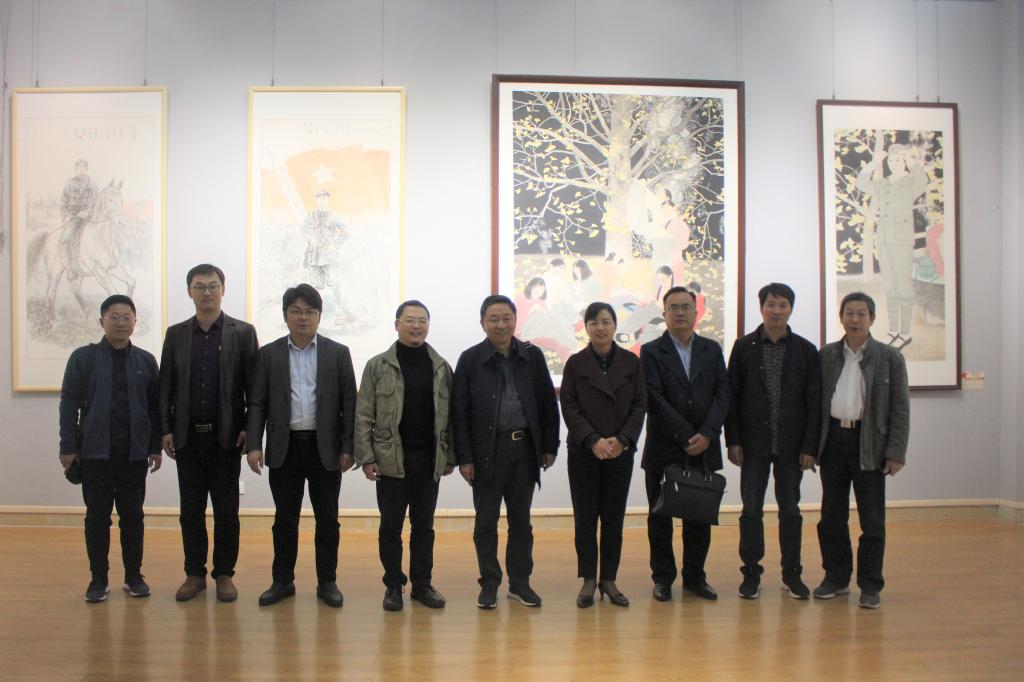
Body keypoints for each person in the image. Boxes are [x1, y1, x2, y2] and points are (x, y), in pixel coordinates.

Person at [246, 284, 357, 608]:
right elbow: (257, 403)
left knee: (328, 520)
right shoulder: (269, 354)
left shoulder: (338, 353)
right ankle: (283, 581)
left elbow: (349, 403)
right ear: (285, 316)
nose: (303, 317)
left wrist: (348, 447)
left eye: (310, 311)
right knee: (285, 519)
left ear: (319, 316)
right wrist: (254, 444)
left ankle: (327, 582)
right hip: (285, 447)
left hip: (326, 448)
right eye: (296, 311)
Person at [159, 264, 259, 603]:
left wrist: (248, 429)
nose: (207, 292)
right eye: (199, 286)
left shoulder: (242, 332)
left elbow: (254, 389)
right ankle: (194, 574)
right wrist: (165, 429)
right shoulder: (176, 334)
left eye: (213, 286)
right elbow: (165, 386)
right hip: (187, 438)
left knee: (227, 511)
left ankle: (224, 574)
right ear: (189, 291)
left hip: (226, 438)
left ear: (223, 290)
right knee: (190, 510)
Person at [452, 295, 560, 609]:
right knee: (486, 523)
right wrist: (464, 457)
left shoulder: (532, 355)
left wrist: (549, 446)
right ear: (483, 323)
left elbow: (547, 403)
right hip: (487, 452)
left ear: (515, 320)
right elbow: (459, 412)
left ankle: (520, 583)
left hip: (524, 449)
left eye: (506, 318)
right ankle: (489, 583)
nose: (501, 325)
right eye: (494, 319)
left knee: (521, 522)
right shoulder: (470, 359)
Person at [58, 294, 162, 603]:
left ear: (135, 322)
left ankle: (134, 576)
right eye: (114, 317)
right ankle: (98, 579)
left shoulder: (146, 361)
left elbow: (155, 409)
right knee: (97, 518)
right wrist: (68, 446)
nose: (120, 322)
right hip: (95, 454)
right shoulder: (83, 358)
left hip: (134, 455)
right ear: (101, 321)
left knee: (133, 517)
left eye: (126, 317)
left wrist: (155, 447)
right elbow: (69, 405)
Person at [355, 300, 455, 612]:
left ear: (428, 325)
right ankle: (393, 585)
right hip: (390, 460)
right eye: (410, 320)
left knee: (424, 527)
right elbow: (363, 415)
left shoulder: (441, 367)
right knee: (390, 528)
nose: (416, 326)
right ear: (396, 324)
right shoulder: (377, 366)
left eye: (422, 320)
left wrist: (450, 455)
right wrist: (366, 458)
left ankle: (422, 585)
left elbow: (452, 416)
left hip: (428, 461)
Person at [725, 283, 821, 600]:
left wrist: (810, 447)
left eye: (782, 305)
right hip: (753, 444)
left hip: (792, 446)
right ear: (761, 308)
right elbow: (732, 397)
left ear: (791, 308)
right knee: (751, 510)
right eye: (771, 304)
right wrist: (733, 440)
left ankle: (792, 574)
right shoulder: (743, 347)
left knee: (790, 510)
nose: (776, 310)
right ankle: (751, 573)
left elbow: (814, 402)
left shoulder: (806, 350)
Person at [814, 292, 909, 609]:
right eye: (849, 313)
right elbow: (813, 405)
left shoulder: (890, 357)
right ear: (841, 317)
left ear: (872, 319)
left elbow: (900, 409)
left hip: (870, 444)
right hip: (833, 441)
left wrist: (896, 452)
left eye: (861, 314)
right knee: (832, 516)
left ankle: (870, 584)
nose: (854, 320)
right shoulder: (826, 355)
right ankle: (836, 577)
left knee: (872, 519)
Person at [640, 286, 728, 602]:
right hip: (664, 446)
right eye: (673, 307)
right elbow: (653, 398)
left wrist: (707, 434)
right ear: (664, 314)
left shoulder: (711, 349)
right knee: (659, 517)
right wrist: (686, 434)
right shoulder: (651, 351)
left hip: (704, 445)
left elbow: (722, 394)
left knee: (699, 516)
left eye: (686, 307)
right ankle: (663, 578)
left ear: (696, 311)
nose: (680, 312)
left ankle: (695, 577)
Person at [560, 302, 646, 608]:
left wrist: (622, 440)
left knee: (613, 518)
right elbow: (569, 406)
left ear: (615, 326)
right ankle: (587, 579)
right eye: (594, 322)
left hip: (619, 453)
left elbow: (640, 405)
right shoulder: (575, 363)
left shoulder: (631, 362)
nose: (600, 327)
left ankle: (609, 578)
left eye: (606, 321)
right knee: (585, 518)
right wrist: (593, 439)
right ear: (586, 327)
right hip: (585, 452)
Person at [856, 141, 928, 350]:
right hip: (884, 239)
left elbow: (922, 181)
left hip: (902, 240)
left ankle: (905, 333)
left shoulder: (911, 183)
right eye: (891, 160)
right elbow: (861, 183)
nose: (894, 163)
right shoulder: (884, 183)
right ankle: (893, 330)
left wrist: (911, 161)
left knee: (903, 286)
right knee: (889, 286)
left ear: (904, 161)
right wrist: (873, 163)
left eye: (898, 160)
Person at [302, 190, 350, 326]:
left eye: (324, 198)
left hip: (329, 257)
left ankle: (339, 312)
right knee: (316, 287)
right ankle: (315, 315)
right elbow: (303, 230)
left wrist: (335, 245)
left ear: (328, 200)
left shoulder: (334, 217)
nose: (322, 201)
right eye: (320, 198)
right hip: (314, 256)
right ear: (317, 200)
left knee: (335, 284)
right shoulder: (310, 216)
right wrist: (309, 239)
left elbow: (346, 232)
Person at [60, 159, 98, 265]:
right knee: (66, 237)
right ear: (76, 169)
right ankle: (69, 264)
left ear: (86, 168)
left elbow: (95, 199)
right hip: (74, 216)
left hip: (90, 215)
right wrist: (66, 216)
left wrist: (88, 212)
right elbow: (63, 201)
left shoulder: (92, 183)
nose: (82, 168)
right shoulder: (70, 183)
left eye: (84, 166)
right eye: (79, 167)